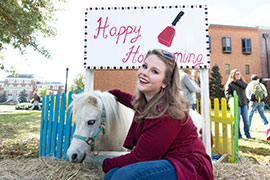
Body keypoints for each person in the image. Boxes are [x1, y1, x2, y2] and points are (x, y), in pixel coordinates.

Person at [102, 49, 214, 180]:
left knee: (122, 176)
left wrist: (104, 163)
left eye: (154, 71)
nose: (144, 73)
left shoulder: (166, 113)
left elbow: (140, 157)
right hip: (166, 161)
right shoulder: (148, 102)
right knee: (111, 175)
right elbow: (131, 100)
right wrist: (109, 94)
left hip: (188, 166)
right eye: (144, 66)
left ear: (165, 83)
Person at [225, 69, 253, 139]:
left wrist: (237, 81)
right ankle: (238, 136)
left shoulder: (242, 83)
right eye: (237, 74)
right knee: (237, 120)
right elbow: (227, 93)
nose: (238, 75)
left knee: (246, 120)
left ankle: (248, 135)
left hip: (244, 104)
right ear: (233, 75)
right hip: (236, 104)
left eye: (239, 74)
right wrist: (232, 99)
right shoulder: (230, 84)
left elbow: (245, 86)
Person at [246, 74, 270, 140]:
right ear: (258, 79)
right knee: (262, 114)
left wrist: (250, 99)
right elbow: (265, 93)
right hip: (261, 102)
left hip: (253, 102)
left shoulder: (250, 85)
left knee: (250, 115)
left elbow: (247, 93)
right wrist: (262, 98)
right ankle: (268, 127)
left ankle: (248, 128)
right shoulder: (261, 85)